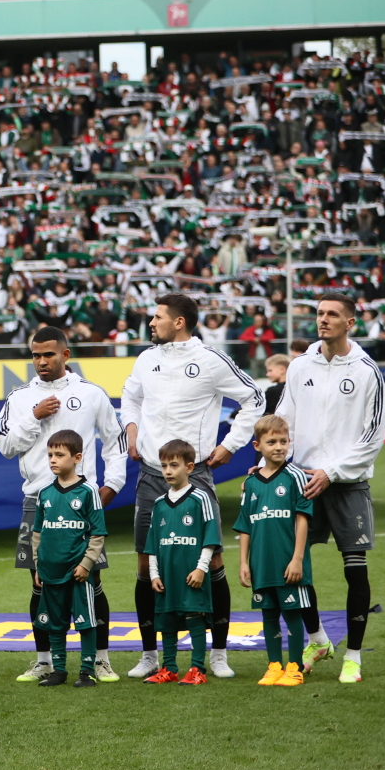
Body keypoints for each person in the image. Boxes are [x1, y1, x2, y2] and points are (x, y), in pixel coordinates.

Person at [120, 292, 263, 680]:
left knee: (212, 559)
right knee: (145, 561)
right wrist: (131, 431)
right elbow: (129, 398)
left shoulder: (211, 360)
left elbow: (254, 398)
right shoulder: (146, 358)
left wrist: (230, 445)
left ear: (179, 322)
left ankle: (217, 653)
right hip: (151, 473)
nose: (151, 323)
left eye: (157, 317)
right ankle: (151, 654)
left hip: (197, 474)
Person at [0, 325, 126, 683]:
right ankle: (44, 660)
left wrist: (111, 485)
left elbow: (115, 444)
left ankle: (100, 659)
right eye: (36, 355)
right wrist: (33, 417)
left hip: (81, 502)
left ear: (65, 355)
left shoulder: (92, 394)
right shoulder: (20, 398)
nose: (41, 361)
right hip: (37, 498)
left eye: (48, 354)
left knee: (92, 583)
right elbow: (6, 446)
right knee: (40, 584)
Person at [274, 293, 385, 683]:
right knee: (296, 568)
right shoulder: (300, 365)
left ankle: (353, 655)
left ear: (350, 323)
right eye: (320, 313)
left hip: (347, 482)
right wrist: (269, 466)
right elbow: (283, 419)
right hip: (303, 482)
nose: (323, 320)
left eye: (333, 314)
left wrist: (333, 470)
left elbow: (373, 437)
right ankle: (319, 639)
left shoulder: (366, 370)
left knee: (355, 570)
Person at [234, 415, 312, 688]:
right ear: (258, 446)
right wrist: (244, 562)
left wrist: (298, 559)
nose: (278, 446)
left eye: (283, 441)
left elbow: (302, 519)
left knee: (292, 613)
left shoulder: (296, 476)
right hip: (261, 563)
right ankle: (274, 665)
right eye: (271, 442)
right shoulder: (252, 483)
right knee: (268, 614)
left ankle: (295, 667)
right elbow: (245, 525)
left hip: (288, 562)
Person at [29, 429, 108, 688]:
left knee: (85, 622)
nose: (52, 459)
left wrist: (86, 565)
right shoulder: (44, 493)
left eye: (59, 454)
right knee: (55, 623)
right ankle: (59, 670)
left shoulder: (88, 491)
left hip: (77, 572)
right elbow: (37, 533)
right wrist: (39, 565)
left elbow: (97, 534)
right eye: (50, 454)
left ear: (77, 458)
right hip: (51, 571)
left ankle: (87, 671)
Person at [142, 438, 221, 686]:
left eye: (173, 465)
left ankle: (197, 669)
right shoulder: (158, 504)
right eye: (164, 465)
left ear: (189, 467)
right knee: (166, 620)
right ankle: (170, 668)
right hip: (166, 575)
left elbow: (211, 537)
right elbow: (152, 544)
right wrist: (154, 574)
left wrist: (201, 568)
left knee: (194, 617)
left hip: (192, 573)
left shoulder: (200, 499)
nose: (167, 471)